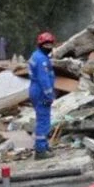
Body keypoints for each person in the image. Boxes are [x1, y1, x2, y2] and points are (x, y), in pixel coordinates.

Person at [29, 31, 57, 159]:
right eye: (47, 45)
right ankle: (40, 150)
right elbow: (44, 79)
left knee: (43, 119)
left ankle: (44, 146)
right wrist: (49, 95)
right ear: (41, 45)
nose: (49, 47)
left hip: (36, 90)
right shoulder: (42, 60)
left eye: (50, 45)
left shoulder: (36, 55)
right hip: (41, 92)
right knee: (43, 121)